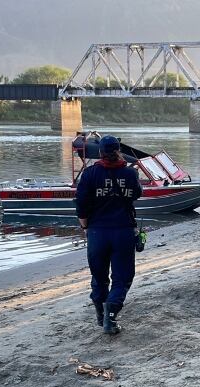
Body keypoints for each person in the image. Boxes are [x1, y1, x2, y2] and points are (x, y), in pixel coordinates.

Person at [75, 135, 143, 335]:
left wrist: (85, 227)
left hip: (97, 232)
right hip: (123, 231)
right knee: (122, 278)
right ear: (118, 150)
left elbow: (81, 204)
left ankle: (100, 314)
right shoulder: (130, 173)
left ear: (100, 152)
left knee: (99, 277)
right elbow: (137, 194)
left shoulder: (89, 174)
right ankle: (110, 316)